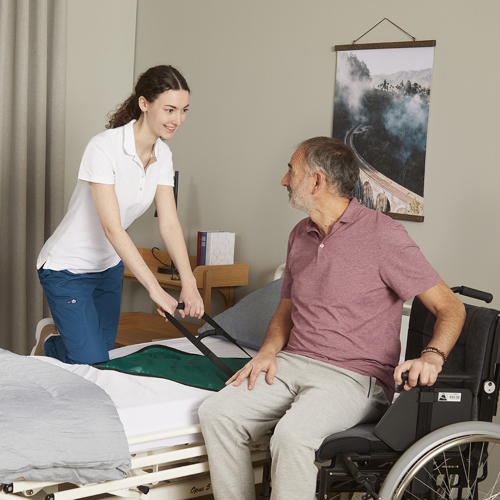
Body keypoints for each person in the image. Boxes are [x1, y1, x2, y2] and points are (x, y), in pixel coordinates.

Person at [198, 137, 466, 500]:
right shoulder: (300, 234)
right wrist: (267, 352)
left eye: (291, 170)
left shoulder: (383, 236)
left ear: (317, 181)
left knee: (293, 436)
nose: (283, 180)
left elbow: (451, 307)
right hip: (293, 363)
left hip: (355, 376)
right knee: (217, 413)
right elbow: (286, 309)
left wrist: (433, 355)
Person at [35, 65, 204, 365]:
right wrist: (155, 289)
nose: (178, 120)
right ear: (144, 104)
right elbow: (112, 228)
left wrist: (189, 283)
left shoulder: (163, 155)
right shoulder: (103, 148)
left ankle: (69, 343)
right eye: (169, 109)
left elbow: (169, 222)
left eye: (184, 110)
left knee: (105, 358)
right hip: (68, 269)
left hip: (108, 267)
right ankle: (49, 342)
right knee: (91, 360)